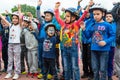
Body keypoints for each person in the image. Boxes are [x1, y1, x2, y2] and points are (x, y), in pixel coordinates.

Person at [54, 1, 94, 80]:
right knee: (66, 67)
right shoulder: (63, 24)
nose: (66, 18)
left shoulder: (76, 24)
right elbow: (58, 18)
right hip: (65, 50)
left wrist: (88, 6)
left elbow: (83, 16)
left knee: (75, 67)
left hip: (74, 50)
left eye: (68, 16)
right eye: (65, 16)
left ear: (73, 17)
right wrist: (56, 8)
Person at [81, 3, 115, 80]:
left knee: (103, 70)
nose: (95, 16)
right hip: (93, 50)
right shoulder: (92, 25)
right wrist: (83, 29)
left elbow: (112, 36)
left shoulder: (107, 25)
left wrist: (105, 42)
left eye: (98, 14)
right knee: (95, 69)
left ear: (103, 14)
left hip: (104, 50)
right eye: (94, 14)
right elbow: (87, 36)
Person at [36, 0, 61, 79]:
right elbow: (38, 16)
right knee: (41, 58)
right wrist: (38, 6)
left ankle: (51, 73)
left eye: (48, 15)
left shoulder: (53, 24)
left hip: (51, 45)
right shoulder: (43, 23)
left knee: (50, 59)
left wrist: (56, 8)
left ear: (52, 17)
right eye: (46, 15)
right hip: (41, 43)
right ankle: (43, 72)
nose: (46, 17)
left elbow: (58, 21)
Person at [0, 5, 22, 79]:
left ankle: (17, 73)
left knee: (17, 59)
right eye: (13, 18)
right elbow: (4, 19)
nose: (15, 20)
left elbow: (21, 18)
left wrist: (19, 10)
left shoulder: (20, 26)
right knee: (10, 59)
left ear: (18, 19)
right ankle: (9, 72)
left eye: (16, 18)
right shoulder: (10, 25)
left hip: (17, 44)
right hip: (10, 44)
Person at [105, 10, 116, 80]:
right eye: (107, 16)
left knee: (110, 62)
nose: (108, 18)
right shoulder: (103, 24)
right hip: (104, 47)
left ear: (113, 17)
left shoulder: (115, 24)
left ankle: (109, 75)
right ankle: (103, 74)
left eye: (110, 16)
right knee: (103, 62)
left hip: (112, 46)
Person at [111, 2, 120, 79]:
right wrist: (118, 4)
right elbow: (112, 12)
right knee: (117, 60)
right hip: (118, 44)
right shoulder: (118, 20)